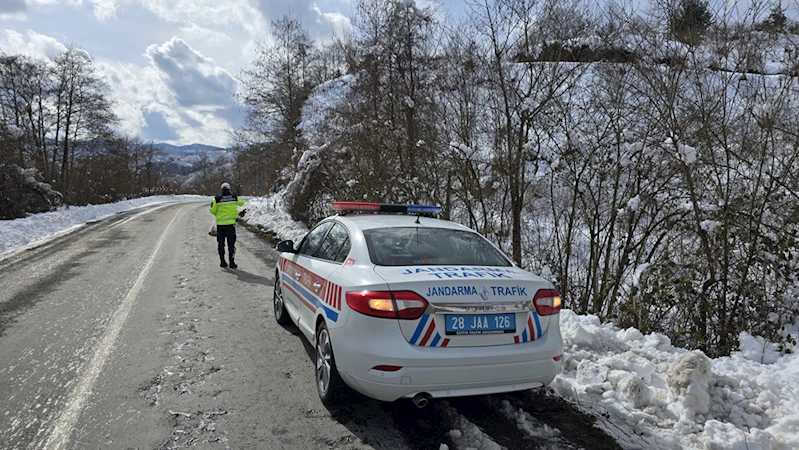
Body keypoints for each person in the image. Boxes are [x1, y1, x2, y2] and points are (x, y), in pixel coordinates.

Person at [210, 182, 244, 268]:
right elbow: (242, 203)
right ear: (229, 189)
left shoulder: (217, 198)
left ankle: (222, 262)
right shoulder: (234, 197)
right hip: (231, 225)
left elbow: (212, 210)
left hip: (220, 225)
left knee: (221, 244)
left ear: (221, 189)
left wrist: (219, 214)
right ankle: (232, 262)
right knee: (231, 244)